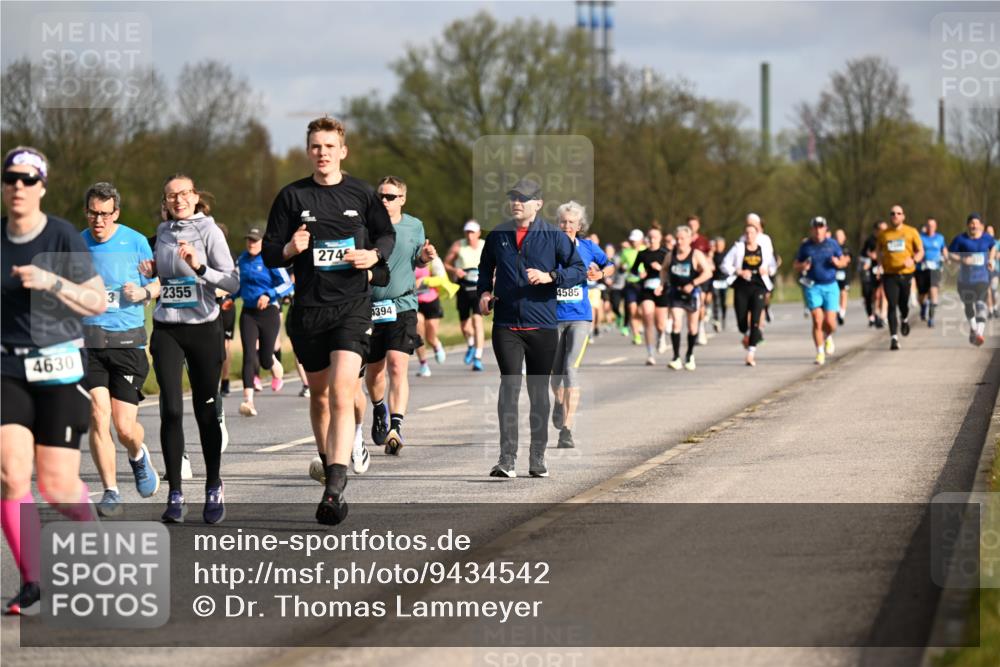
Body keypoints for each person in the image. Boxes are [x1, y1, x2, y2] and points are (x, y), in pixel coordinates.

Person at [262, 116, 394, 525]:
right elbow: (268, 253)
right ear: (309, 151)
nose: (322, 153)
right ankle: (329, 462)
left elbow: (385, 236)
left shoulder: (361, 193)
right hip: (309, 311)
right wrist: (289, 247)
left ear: (343, 151)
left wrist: (374, 256)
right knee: (319, 397)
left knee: (341, 392)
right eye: (316, 146)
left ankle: (334, 489)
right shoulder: (291, 196)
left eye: (329, 146)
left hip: (352, 307)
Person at [1, 147, 108, 614]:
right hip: (7, 368)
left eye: (28, 179)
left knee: (59, 487)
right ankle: (33, 582)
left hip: (60, 368)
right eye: (10, 179)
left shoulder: (62, 236)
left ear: (42, 186)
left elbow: (97, 303)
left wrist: (52, 283)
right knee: (10, 474)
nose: (18, 186)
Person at [477, 178, 586, 478]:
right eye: (513, 197)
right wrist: (484, 293)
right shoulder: (498, 234)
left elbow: (578, 269)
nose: (517, 203)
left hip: (542, 325)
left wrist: (551, 276)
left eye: (523, 198)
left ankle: (537, 457)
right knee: (509, 388)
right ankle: (506, 459)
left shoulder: (553, 236)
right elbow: (485, 269)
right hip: (507, 325)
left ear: (538, 204)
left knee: (538, 393)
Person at [149, 174, 239, 523]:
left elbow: (232, 281)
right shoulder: (162, 234)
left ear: (195, 196)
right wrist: (149, 272)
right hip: (167, 328)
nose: (178, 200)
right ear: (166, 201)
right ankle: (175, 493)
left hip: (203, 328)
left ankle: (213, 485)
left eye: (184, 194)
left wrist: (201, 268)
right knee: (170, 409)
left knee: (205, 411)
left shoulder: (209, 232)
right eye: (172, 196)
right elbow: (160, 279)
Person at [80, 182, 161, 517]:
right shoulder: (74, 244)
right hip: (91, 343)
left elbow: (158, 284)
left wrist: (142, 293)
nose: (98, 220)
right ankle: (111, 491)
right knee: (99, 414)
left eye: (105, 214)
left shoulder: (136, 242)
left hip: (128, 343)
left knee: (125, 427)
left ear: (116, 213)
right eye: (92, 213)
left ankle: (138, 454)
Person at [366, 176, 437, 456]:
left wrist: (426, 256)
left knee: (397, 364)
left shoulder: (414, 225)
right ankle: (378, 409)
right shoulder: (367, 224)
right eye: (381, 196)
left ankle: (396, 426)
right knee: (374, 372)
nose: (385, 201)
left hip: (403, 303)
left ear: (402, 199)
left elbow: (417, 259)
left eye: (391, 197)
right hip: (370, 306)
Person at [550, 201, 612, 449]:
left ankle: (567, 429)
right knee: (555, 375)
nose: (567, 226)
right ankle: (558, 402)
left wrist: (602, 274)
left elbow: (610, 264)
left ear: (579, 226)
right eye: (563, 222)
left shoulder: (587, 247)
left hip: (580, 317)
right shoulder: (549, 248)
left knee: (570, 368)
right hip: (553, 317)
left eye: (571, 222)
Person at [234, 226, 292, 417]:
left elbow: (287, 284)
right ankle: (248, 401)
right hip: (248, 313)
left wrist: (269, 294)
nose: (251, 243)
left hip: (269, 313)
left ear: (262, 242)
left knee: (265, 358)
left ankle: (272, 362)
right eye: (249, 240)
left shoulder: (271, 259)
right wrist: (229, 299)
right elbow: (238, 285)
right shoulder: (241, 259)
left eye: (255, 240)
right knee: (249, 355)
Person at [794, 217, 850, 364]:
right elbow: (796, 264)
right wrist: (803, 266)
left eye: (821, 227)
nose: (818, 230)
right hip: (813, 286)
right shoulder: (806, 246)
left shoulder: (832, 244)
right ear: (811, 229)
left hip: (831, 286)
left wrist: (839, 263)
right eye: (815, 227)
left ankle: (828, 337)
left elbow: (844, 260)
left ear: (826, 229)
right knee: (817, 320)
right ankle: (819, 352)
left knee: (830, 323)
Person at [656, 225, 713, 370]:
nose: (679, 241)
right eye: (677, 238)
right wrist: (662, 284)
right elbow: (663, 269)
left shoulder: (696, 254)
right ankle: (676, 357)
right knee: (676, 323)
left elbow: (708, 273)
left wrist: (693, 283)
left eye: (682, 238)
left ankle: (689, 354)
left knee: (692, 326)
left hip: (691, 294)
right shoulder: (671, 254)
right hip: (675, 293)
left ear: (689, 239)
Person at [721, 222, 776, 366]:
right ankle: (746, 333)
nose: (749, 236)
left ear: (757, 235)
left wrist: (768, 271)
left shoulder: (763, 250)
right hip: (741, 286)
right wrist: (738, 271)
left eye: (752, 233)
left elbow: (773, 265)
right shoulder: (738, 248)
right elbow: (725, 265)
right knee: (741, 322)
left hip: (759, 286)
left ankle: (751, 353)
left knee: (756, 320)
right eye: (747, 233)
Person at [876, 205, 924, 351]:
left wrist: (914, 260)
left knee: (903, 303)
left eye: (898, 213)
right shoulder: (884, 234)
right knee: (891, 303)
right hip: (889, 275)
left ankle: (904, 318)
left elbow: (920, 251)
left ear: (903, 216)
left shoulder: (911, 232)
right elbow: (879, 250)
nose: (895, 216)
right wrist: (879, 264)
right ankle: (894, 338)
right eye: (892, 214)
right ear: (890, 217)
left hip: (906, 273)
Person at [948, 214, 996, 346]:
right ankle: (973, 328)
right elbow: (949, 254)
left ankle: (979, 334)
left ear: (981, 225)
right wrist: (962, 260)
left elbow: (993, 247)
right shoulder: (960, 239)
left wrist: (991, 260)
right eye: (971, 223)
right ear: (968, 225)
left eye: (976, 223)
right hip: (965, 280)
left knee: (981, 305)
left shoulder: (987, 237)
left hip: (982, 278)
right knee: (969, 306)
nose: (974, 225)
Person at [444, 221, 485, 371]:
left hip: (479, 286)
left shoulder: (484, 245)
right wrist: (455, 271)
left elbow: (496, 263)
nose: (470, 235)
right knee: (465, 325)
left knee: (477, 321)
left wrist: (492, 276)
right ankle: (470, 344)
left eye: (472, 232)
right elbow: (446, 263)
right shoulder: (458, 245)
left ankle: (478, 357)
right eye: (467, 232)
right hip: (463, 285)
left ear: (478, 233)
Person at [632, 226, 669, 365]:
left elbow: (671, 271)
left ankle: (662, 335)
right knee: (647, 316)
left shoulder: (666, 253)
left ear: (660, 239)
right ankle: (650, 353)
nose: (652, 240)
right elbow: (634, 270)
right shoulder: (642, 254)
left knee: (660, 324)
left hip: (661, 288)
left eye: (655, 237)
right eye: (650, 237)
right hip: (647, 289)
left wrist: (660, 269)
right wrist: (640, 273)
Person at [414, 258, 449, 377]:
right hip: (413, 302)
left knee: (430, 336)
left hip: (431, 301)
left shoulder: (432, 259)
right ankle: (423, 364)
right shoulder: (405, 256)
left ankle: (436, 344)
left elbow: (442, 279)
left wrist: (425, 280)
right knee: (418, 333)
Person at [216, 223, 237, 397]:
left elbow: (235, 283)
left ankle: (225, 380)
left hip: (225, 304)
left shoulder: (230, 255)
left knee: (224, 344)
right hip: (208, 304)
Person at [917, 217, 948, 328]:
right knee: (921, 295)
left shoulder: (940, 238)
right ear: (926, 226)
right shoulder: (920, 237)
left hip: (935, 268)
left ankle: (931, 317)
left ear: (936, 226)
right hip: (921, 269)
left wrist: (946, 257)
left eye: (932, 225)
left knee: (933, 290)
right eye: (929, 225)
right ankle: (923, 306)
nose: (930, 227)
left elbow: (943, 249)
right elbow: (915, 250)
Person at [687, 215, 713, 344]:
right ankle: (693, 328)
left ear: (698, 226)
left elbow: (709, 255)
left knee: (701, 302)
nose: (692, 227)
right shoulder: (683, 240)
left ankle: (701, 328)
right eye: (690, 225)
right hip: (687, 277)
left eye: (694, 225)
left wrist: (709, 263)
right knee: (691, 306)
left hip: (701, 276)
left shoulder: (703, 240)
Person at [860, 220, 888, 328]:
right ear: (876, 230)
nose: (884, 232)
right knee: (876, 294)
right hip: (874, 269)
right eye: (881, 230)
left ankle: (883, 315)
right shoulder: (870, 241)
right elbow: (863, 255)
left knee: (884, 292)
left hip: (886, 268)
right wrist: (870, 257)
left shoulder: (889, 239)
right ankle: (876, 312)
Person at [620, 229, 645, 344]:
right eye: (632, 240)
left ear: (641, 240)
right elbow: (620, 266)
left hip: (644, 284)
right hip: (631, 283)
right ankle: (636, 335)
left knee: (641, 310)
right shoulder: (626, 252)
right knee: (632, 309)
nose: (633, 242)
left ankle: (640, 324)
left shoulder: (646, 250)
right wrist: (623, 267)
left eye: (636, 240)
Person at [832, 228, 853, 326]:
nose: (838, 238)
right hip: (833, 274)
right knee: (835, 293)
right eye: (836, 236)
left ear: (844, 237)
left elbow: (847, 260)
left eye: (840, 236)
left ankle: (842, 314)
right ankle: (837, 310)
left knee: (843, 293)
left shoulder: (847, 248)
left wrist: (838, 262)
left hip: (844, 274)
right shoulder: (831, 247)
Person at [709, 236, 729, 332]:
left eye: (720, 245)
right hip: (715, 281)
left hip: (724, 281)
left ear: (724, 245)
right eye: (717, 245)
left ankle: (723, 317)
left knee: (723, 301)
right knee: (715, 301)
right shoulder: (713, 255)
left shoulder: (727, 255)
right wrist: (711, 253)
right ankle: (716, 319)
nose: (718, 246)